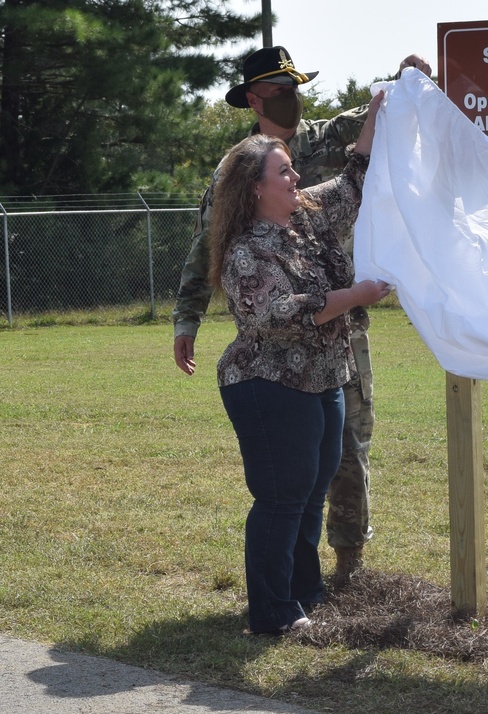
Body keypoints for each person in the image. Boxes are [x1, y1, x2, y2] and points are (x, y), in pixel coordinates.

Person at [173, 46, 430, 587]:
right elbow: (206, 248)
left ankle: (346, 566)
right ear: (252, 99)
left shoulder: (322, 139)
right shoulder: (237, 171)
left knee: (349, 448)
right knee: (297, 469)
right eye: (279, 91)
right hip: (284, 339)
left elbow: (367, 126)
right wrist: (186, 319)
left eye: (296, 89)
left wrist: (406, 83)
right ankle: (289, 581)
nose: (292, 100)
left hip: (344, 328)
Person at [210, 90, 393, 632]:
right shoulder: (248, 249)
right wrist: (355, 296)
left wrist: (378, 112)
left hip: (322, 379)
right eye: (284, 173)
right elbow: (278, 314)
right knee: (282, 497)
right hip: (267, 385)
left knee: (311, 492)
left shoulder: (306, 217)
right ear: (256, 187)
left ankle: (303, 593)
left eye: (292, 172)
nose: (295, 179)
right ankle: (271, 611)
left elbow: (354, 180)